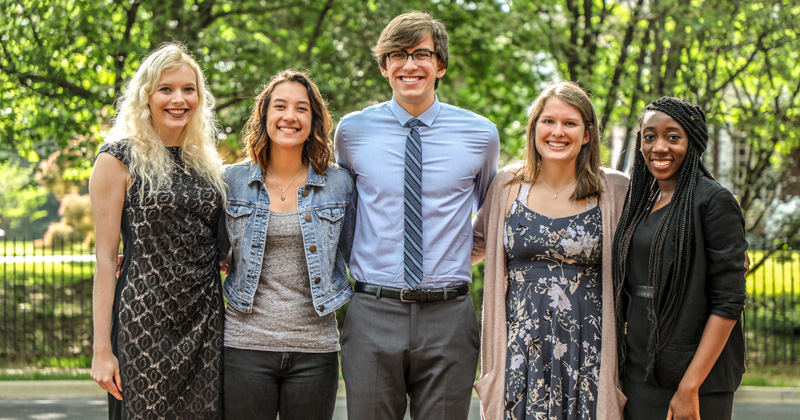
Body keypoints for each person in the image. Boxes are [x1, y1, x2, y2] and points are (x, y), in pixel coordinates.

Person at [334, 11, 500, 420]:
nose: (410, 65)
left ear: (439, 65)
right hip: (373, 310)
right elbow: (342, 213)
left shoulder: (480, 135)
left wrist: (454, 259)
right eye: (398, 55)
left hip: (449, 316)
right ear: (385, 66)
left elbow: (489, 219)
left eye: (421, 54)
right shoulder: (351, 132)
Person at [472, 81, 628, 420]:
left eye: (569, 123)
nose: (558, 132)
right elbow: (471, 246)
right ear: (534, 128)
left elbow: (653, 240)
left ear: (587, 135)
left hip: (589, 348)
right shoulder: (506, 186)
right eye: (549, 121)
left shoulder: (615, 189)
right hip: (519, 349)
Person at [89, 42, 226, 419]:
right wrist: (102, 350)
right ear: (145, 95)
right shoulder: (116, 159)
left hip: (207, 323)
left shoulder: (209, 164)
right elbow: (104, 260)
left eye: (188, 89)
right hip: (143, 321)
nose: (178, 99)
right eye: (166, 89)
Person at [220, 69, 353, 420]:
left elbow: (361, 252)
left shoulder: (339, 183)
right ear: (264, 116)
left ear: (314, 120)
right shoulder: (230, 180)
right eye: (280, 107)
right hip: (244, 343)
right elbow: (206, 252)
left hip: (315, 349)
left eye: (301, 109)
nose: (290, 117)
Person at [612, 97, 747, 419]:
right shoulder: (640, 202)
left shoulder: (713, 201)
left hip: (696, 376)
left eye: (673, 136)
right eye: (649, 136)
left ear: (693, 141)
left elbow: (728, 302)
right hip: (640, 367)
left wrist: (689, 387)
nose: (659, 147)